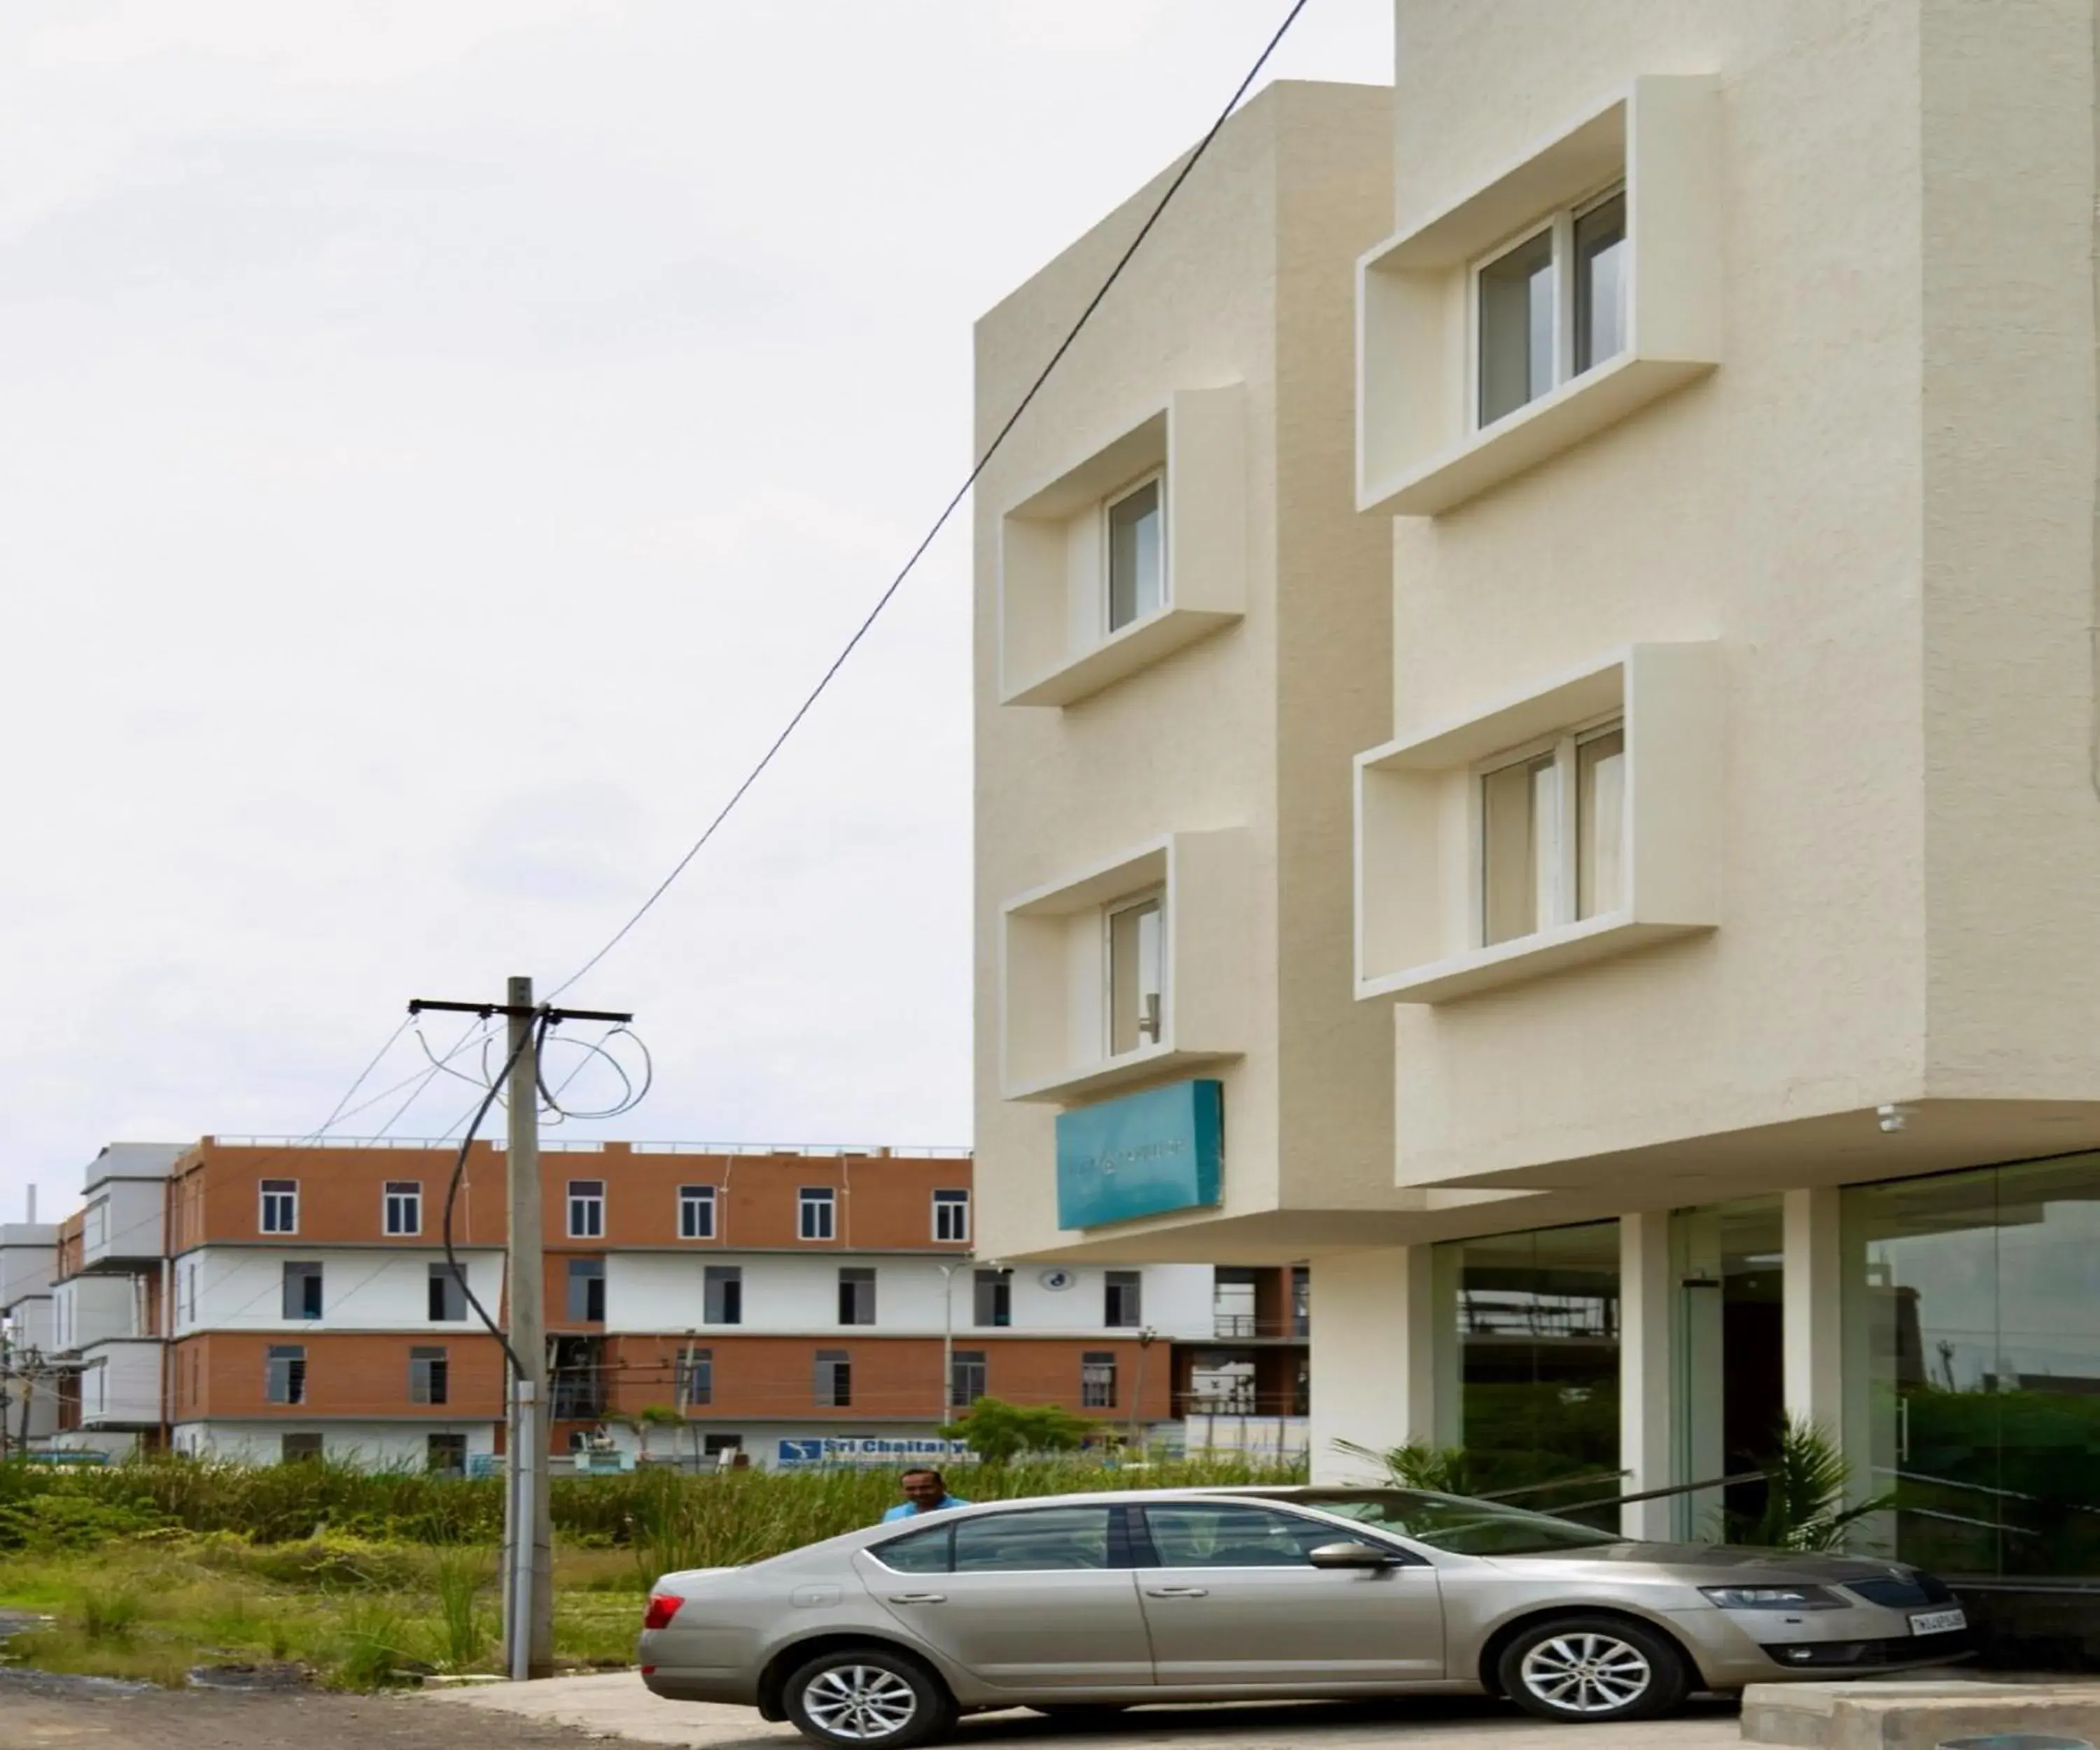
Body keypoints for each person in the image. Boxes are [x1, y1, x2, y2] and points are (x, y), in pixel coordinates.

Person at [881, 1467, 970, 1522]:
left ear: (942, 1487)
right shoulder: (894, 1515)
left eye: (925, 1488)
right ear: (902, 1491)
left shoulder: (967, 1510)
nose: (919, 1493)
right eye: (911, 1489)